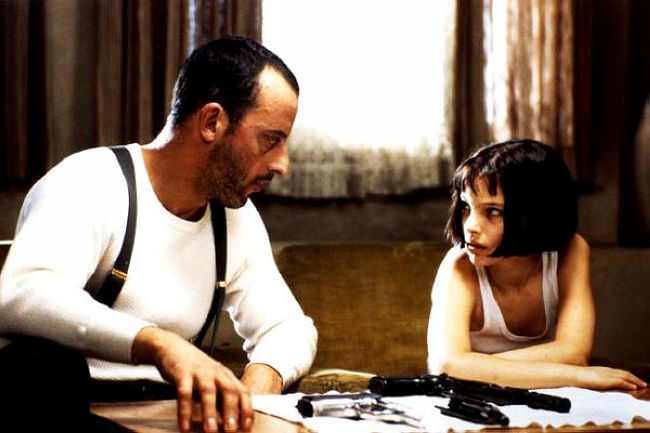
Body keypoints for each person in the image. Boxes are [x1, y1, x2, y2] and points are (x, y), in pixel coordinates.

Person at [0, 36, 317, 432]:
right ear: (212, 122)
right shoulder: (90, 180)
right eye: (271, 140)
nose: (282, 165)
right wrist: (159, 343)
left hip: (167, 418)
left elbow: (288, 328)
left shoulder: (235, 219)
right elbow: (21, 295)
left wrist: (261, 380)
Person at [427, 139, 647, 391]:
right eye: (466, 207)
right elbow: (445, 366)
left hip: (548, 399)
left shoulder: (571, 251)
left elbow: (575, 353)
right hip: (476, 402)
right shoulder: (459, 266)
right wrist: (575, 375)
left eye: (493, 211)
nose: (470, 226)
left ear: (536, 213)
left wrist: (474, 367)